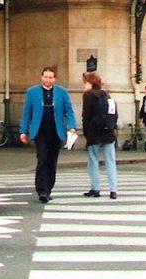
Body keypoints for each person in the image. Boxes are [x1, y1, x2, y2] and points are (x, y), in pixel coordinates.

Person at [19, 66, 77, 203]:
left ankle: (49, 188)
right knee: (42, 159)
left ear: (54, 79)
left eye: (50, 77)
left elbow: (68, 111)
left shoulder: (62, 92)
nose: (48, 80)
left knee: (52, 161)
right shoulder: (32, 92)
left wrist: (72, 127)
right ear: (42, 77)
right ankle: (41, 190)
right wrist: (23, 131)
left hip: (56, 131)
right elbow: (27, 113)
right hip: (40, 131)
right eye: (45, 77)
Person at [82, 73, 118, 199]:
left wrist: (86, 133)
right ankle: (113, 190)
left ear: (89, 83)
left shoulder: (88, 95)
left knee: (93, 160)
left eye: (85, 82)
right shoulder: (107, 95)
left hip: (94, 133)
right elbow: (114, 114)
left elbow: (86, 115)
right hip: (108, 132)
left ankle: (95, 188)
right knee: (110, 161)